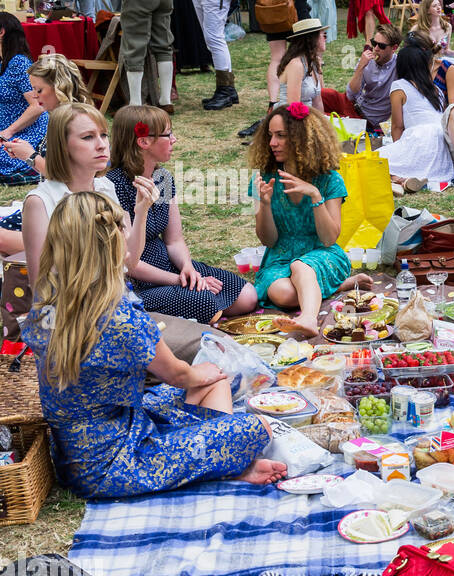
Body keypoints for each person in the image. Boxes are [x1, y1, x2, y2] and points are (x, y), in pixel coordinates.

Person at [23, 192, 285, 498]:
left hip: (78, 455)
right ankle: (226, 464)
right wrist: (206, 371)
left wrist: (203, 377)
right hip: (116, 463)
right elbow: (177, 375)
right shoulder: (119, 315)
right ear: (114, 238)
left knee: (213, 384)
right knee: (255, 426)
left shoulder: (46, 304)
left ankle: (222, 459)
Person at [107, 105, 256, 322]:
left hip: (167, 264)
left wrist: (187, 268)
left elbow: (174, 240)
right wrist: (179, 280)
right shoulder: (115, 186)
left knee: (247, 296)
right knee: (206, 303)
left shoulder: (163, 178)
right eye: (168, 134)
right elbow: (131, 264)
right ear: (143, 142)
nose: (174, 139)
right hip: (138, 283)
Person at [248, 104, 368, 333]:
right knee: (283, 294)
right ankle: (340, 286)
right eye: (270, 135)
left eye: (281, 136)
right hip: (281, 255)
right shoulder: (264, 179)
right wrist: (264, 204)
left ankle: (309, 319)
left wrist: (314, 195)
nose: (273, 143)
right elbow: (269, 241)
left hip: (322, 253)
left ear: (303, 139)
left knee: (301, 266)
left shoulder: (329, 180)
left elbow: (328, 239)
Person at [22, 103, 149, 287]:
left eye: (104, 135)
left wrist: (141, 213)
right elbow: (40, 286)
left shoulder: (105, 187)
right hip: (71, 309)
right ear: (63, 145)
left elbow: (130, 261)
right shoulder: (41, 201)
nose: (101, 145)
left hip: (116, 299)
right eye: (88, 137)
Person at [0, 53, 91, 209]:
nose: (34, 95)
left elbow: (66, 176)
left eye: (39, 90)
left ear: (58, 86)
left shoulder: (72, 122)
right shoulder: (66, 117)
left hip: (69, 206)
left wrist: (30, 155)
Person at [379, 40, 454, 194]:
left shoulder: (399, 86)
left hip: (419, 138)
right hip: (441, 144)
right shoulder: (436, 89)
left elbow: (397, 126)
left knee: (372, 159)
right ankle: (406, 179)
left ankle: (397, 178)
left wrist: (400, 150)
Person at [322, 22, 399, 132]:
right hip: (351, 104)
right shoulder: (367, 60)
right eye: (374, 43)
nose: (375, 48)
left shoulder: (399, 66)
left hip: (366, 119)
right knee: (322, 95)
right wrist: (361, 66)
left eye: (381, 46)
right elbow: (350, 94)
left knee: (322, 117)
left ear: (394, 48)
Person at [0, 14, 49, 186]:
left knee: (4, 161)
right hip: (7, 127)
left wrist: (8, 132)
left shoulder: (19, 63)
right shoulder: (3, 62)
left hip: (26, 129)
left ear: (1, 32)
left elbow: (37, 106)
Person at [276, 18, 326, 110]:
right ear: (311, 39)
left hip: (309, 117)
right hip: (290, 119)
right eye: (324, 35)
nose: (325, 39)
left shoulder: (315, 62)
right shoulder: (296, 65)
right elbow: (294, 108)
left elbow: (318, 103)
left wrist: (322, 123)